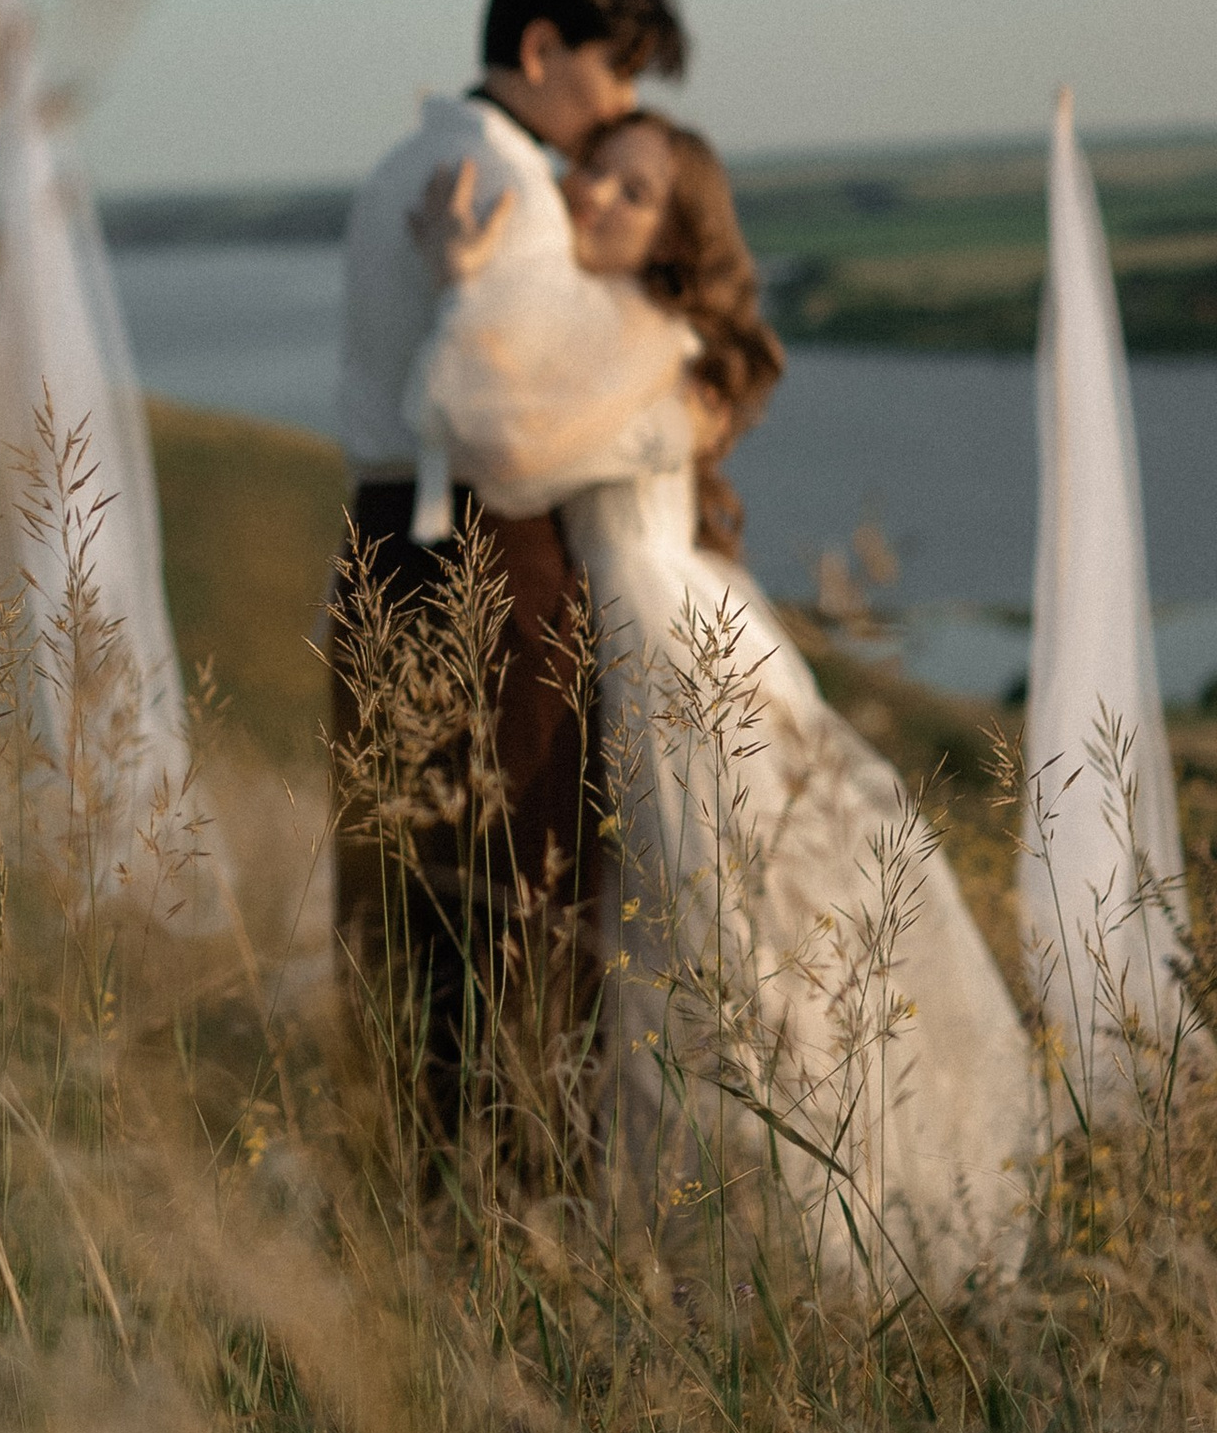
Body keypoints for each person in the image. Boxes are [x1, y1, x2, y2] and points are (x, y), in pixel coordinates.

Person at [416, 102, 1038, 1288]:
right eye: (594, 170)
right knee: (663, 934)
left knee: (720, 937)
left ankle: (801, 1238)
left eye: (632, 190)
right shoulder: (606, 319)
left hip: (674, 647)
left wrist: (463, 283)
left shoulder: (662, 340)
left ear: (675, 238)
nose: (593, 193)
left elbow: (501, 447)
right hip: (634, 632)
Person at [327, 0, 702, 1132]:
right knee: (522, 889)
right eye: (615, 69)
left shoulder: (396, 164)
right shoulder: (518, 192)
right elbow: (510, 428)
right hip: (494, 554)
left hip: (378, 542)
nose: (626, 105)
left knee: (396, 888)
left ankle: (404, 1170)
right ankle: (518, 1194)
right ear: (540, 49)